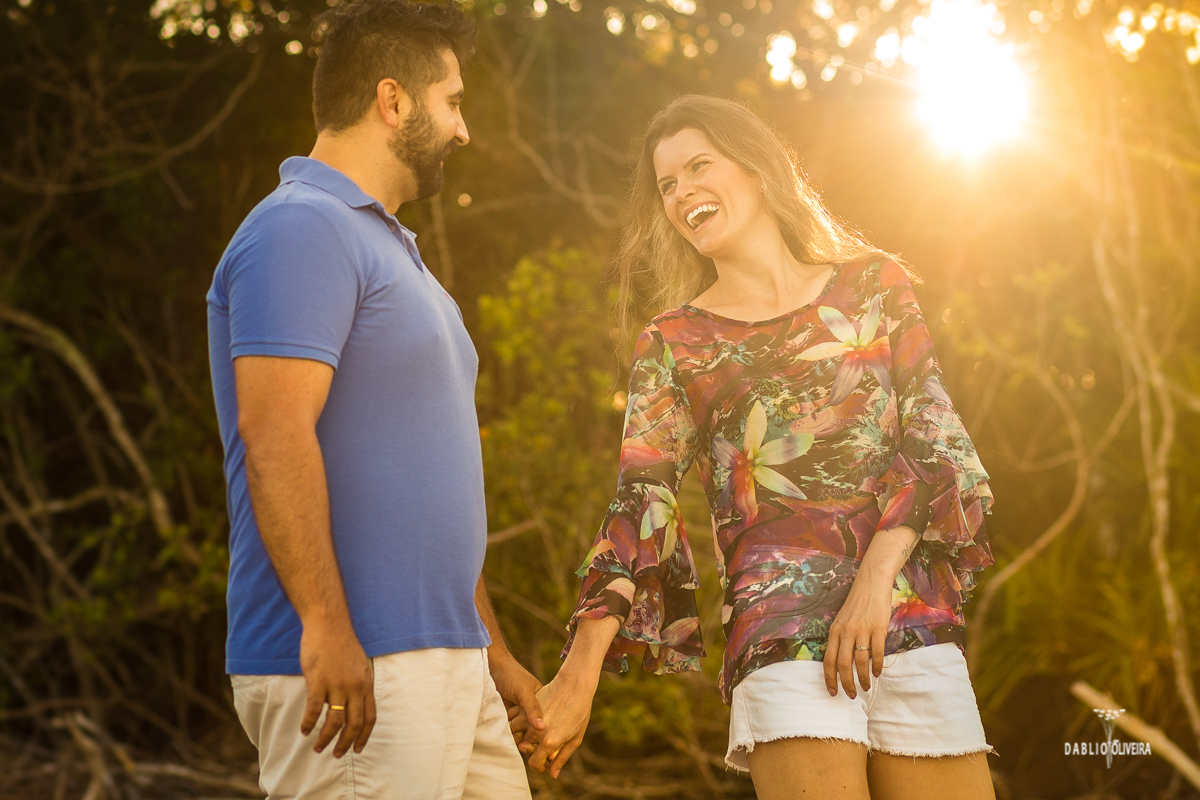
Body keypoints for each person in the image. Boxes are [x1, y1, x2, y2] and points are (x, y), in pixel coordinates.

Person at [511, 95, 998, 800]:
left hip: (910, 612)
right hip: (783, 638)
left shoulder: (875, 285)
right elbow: (640, 501)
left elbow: (934, 432)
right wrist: (580, 672)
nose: (681, 194)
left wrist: (874, 581)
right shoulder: (676, 343)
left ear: (759, 168)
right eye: (667, 185)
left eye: (698, 166)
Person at [205, 2, 541, 797]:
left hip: (444, 657)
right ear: (392, 101)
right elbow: (275, 430)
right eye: (452, 102)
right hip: (357, 665)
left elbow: (432, 487)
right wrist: (325, 626)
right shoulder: (301, 227)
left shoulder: (393, 252)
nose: (463, 130)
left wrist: (490, 651)